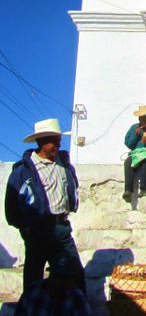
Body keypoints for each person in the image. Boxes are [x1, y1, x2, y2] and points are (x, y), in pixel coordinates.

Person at [4, 118, 86, 294]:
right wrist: (28, 228)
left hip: (62, 228)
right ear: (41, 142)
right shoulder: (23, 172)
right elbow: (11, 209)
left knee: (75, 274)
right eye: (53, 140)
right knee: (34, 277)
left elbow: (72, 188)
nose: (58, 144)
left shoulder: (64, 165)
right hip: (38, 230)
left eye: (58, 139)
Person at [15, 254, 92, 316]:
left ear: (71, 280)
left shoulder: (77, 300)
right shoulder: (33, 291)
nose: (58, 282)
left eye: (64, 278)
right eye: (56, 275)